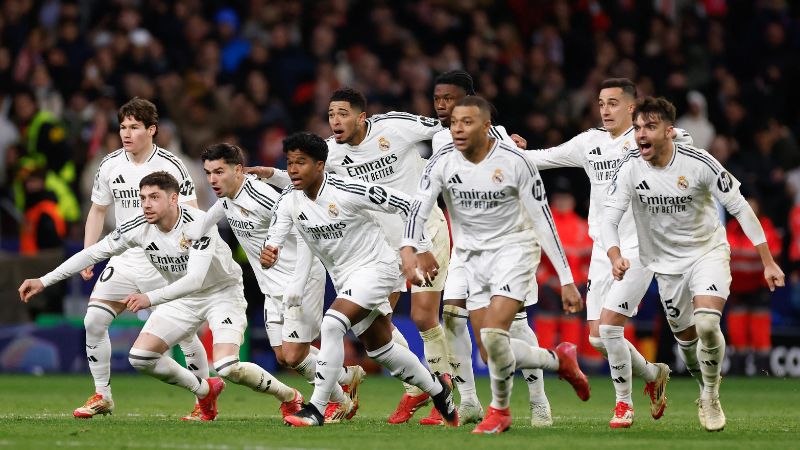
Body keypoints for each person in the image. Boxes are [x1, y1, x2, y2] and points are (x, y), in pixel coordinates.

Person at [19, 172, 305, 422]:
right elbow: (93, 253)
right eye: (142, 197)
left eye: (154, 197)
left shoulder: (198, 224)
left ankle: (289, 395)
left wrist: (150, 297)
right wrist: (43, 280)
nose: (146, 204)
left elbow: (195, 279)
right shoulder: (137, 226)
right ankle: (205, 390)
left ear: (173, 199)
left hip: (222, 294)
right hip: (183, 299)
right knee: (141, 357)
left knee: (228, 366)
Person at [401, 96, 590, 434]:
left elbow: (543, 220)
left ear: (488, 127)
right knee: (492, 352)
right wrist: (415, 248)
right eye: (455, 122)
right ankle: (559, 360)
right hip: (472, 259)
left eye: (467, 122)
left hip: (514, 253)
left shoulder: (516, 162)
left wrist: (566, 278)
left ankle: (500, 411)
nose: (458, 128)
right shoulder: (442, 162)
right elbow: (419, 206)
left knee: (494, 332)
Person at [601, 97, 785, 432]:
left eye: (650, 127)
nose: (641, 134)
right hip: (666, 267)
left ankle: (711, 396)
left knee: (707, 325)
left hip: (707, 253)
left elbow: (741, 208)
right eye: (638, 127)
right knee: (687, 348)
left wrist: (767, 261)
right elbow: (608, 218)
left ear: (669, 131)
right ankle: (702, 382)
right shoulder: (629, 167)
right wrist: (615, 255)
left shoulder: (698, 162)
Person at [260, 132, 457, 427]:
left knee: (332, 324)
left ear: (320, 165)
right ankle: (437, 389)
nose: (293, 170)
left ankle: (316, 408)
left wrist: (423, 249)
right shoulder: (289, 200)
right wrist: (270, 251)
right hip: (345, 278)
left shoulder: (348, 189)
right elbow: (275, 237)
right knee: (381, 348)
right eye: (290, 163)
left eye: (301, 163)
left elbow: (408, 205)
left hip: (377, 267)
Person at [526, 79, 678, 428]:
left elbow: (679, 143)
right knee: (597, 336)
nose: (605, 109)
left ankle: (623, 405)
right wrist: (508, 149)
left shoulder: (645, 139)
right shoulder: (589, 142)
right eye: (600, 103)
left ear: (631, 108)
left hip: (640, 248)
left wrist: (674, 138)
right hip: (602, 249)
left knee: (610, 328)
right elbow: (543, 158)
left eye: (612, 103)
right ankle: (653, 374)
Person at [189, 143, 364, 423]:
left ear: (238, 170)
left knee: (296, 355)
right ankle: (345, 375)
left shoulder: (261, 196)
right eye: (208, 173)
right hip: (271, 287)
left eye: (219, 171)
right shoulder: (225, 199)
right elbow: (201, 224)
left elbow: (306, 230)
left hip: (299, 280)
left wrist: (298, 281)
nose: (212, 179)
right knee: (284, 355)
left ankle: (340, 402)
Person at [429, 70, 554, 427]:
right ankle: (469, 400)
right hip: (467, 249)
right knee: (452, 315)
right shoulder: (440, 142)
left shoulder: (500, 138)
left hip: (508, 246)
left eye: (449, 99)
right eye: (438, 100)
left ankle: (538, 397)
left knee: (514, 326)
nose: (442, 106)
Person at [322, 87, 454, 425]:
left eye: (342, 114)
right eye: (331, 115)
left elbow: (446, 128)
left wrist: (498, 143)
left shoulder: (394, 126)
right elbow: (307, 177)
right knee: (375, 330)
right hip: (384, 247)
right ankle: (420, 386)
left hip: (425, 230)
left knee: (424, 317)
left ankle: (446, 394)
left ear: (361, 116)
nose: (336, 121)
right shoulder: (330, 153)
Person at [73, 98, 210, 419]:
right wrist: (87, 253)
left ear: (152, 130)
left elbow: (191, 212)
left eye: (134, 127)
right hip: (125, 257)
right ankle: (102, 395)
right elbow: (97, 210)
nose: (127, 133)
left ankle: (204, 396)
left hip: (164, 261)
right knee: (93, 321)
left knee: (185, 333)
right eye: (123, 127)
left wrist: (188, 255)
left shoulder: (173, 166)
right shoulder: (109, 165)